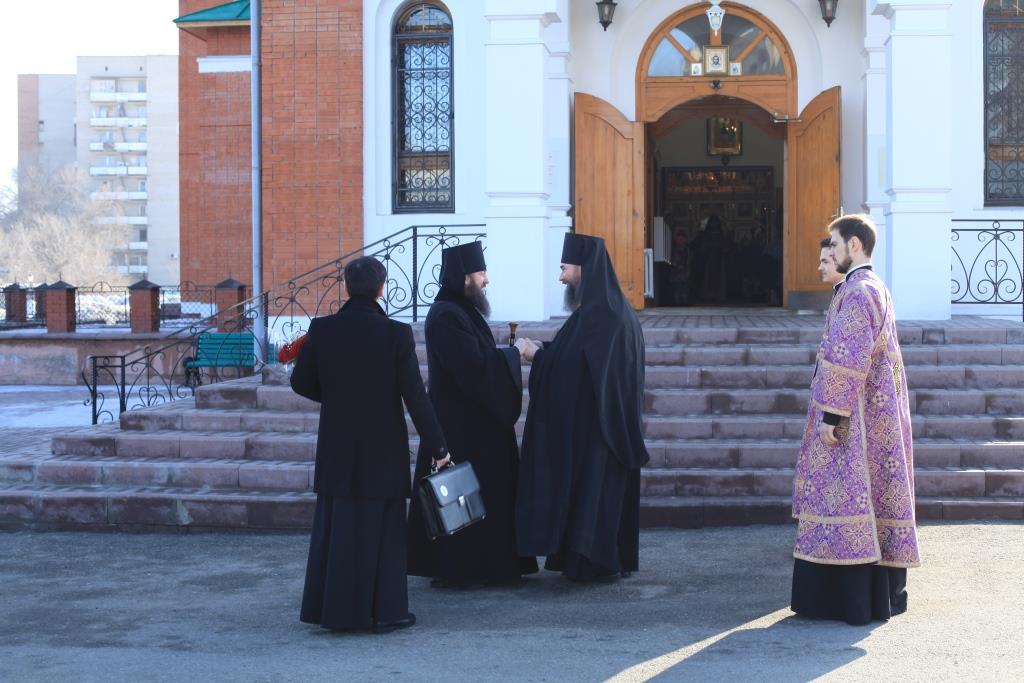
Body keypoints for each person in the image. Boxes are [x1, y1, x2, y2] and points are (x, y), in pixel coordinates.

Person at [291, 256, 448, 633]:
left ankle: (334, 612)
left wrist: (334, 396)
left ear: (346, 287)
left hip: (337, 445)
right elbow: (415, 396)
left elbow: (301, 382)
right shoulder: (395, 333)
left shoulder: (322, 329)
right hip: (383, 448)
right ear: (381, 288)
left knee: (338, 529)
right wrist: (439, 446)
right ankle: (387, 611)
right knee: (384, 532)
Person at [791, 214, 920, 626]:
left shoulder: (857, 292)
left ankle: (842, 602)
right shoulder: (873, 287)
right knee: (873, 496)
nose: (829, 251)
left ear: (855, 246)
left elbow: (848, 356)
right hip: (875, 410)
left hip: (855, 417)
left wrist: (832, 415)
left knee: (846, 494)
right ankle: (876, 598)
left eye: (834, 243)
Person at [515, 233, 649, 582]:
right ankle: (589, 561)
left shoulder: (601, 314)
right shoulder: (609, 309)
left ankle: (593, 564)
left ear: (584, 268)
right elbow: (577, 356)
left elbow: (573, 370)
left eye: (565, 268)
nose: (561, 277)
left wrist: (536, 357)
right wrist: (547, 351)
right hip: (605, 424)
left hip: (600, 432)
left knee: (594, 498)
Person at [407, 241, 538, 585]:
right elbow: (472, 367)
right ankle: (463, 569)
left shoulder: (459, 311)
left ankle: (486, 566)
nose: (486, 280)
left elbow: (477, 361)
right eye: (481, 273)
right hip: (461, 428)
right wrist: (513, 354)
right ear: (464, 277)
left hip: (474, 422)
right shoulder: (446, 314)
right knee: (463, 498)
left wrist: (505, 355)